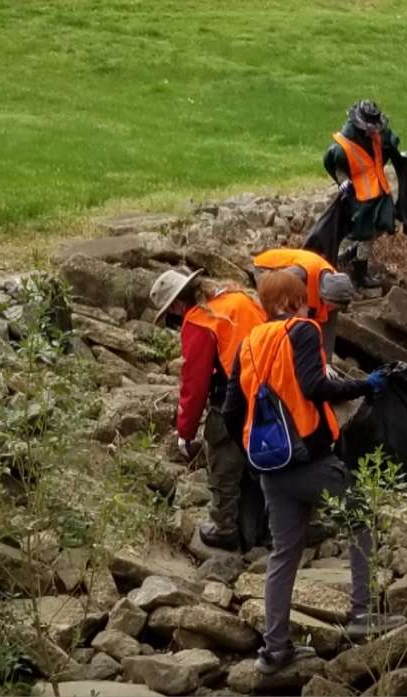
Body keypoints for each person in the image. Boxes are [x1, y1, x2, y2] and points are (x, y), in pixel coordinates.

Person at [221, 270, 390, 675]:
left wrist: (255, 450)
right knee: (362, 518)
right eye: (303, 298)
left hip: (269, 467)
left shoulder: (249, 343)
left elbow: (230, 411)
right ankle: (364, 613)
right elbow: (315, 386)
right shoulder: (303, 330)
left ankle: (275, 650)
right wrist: (365, 385)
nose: (307, 304)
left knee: (284, 553)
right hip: (310, 460)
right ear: (292, 301)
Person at [150, 268, 267, 551]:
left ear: (177, 305)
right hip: (272, 386)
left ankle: (223, 525)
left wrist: (185, 431)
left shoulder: (200, 321)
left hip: (238, 392)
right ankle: (277, 523)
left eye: (171, 317)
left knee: (222, 454)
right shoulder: (237, 298)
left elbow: (195, 383)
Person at [323, 100, 407, 288]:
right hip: (360, 195)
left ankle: (352, 257)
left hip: (378, 188)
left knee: (382, 224)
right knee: (364, 233)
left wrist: (399, 156)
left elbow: (389, 145)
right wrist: (343, 181)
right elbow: (338, 164)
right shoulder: (346, 141)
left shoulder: (379, 134)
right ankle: (356, 272)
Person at [251, 247, 355, 359]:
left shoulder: (336, 287)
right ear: (324, 296)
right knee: (291, 307)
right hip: (266, 269)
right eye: (332, 305)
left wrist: (327, 361)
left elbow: (329, 327)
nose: (332, 308)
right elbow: (275, 282)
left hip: (286, 277)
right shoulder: (302, 273)